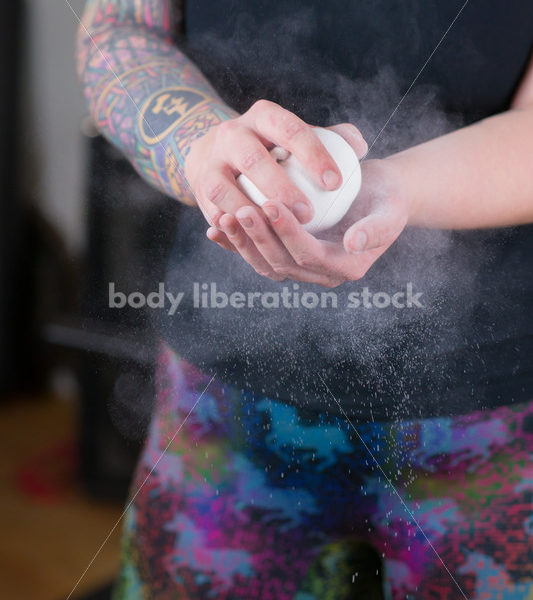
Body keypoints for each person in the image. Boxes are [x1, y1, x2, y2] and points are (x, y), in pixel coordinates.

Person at [77, 1, 533, 598]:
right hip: (222, 399)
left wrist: (399, 187)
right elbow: (121, 27)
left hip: (489, 414)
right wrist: (198, 144)